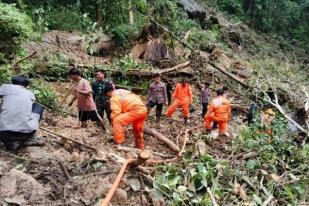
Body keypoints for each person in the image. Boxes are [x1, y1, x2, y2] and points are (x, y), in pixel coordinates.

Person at [0, 76, 44, 151]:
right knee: (38, 107)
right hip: (26, 133)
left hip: (3, 133)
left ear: (12, 82)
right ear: (26, 85)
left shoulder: (5, 88)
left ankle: (10, 142)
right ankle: (28, 137)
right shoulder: (30, 93)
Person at [105, 83, 147, 150]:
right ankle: (140, 148)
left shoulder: (113, 97)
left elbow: (116, 112)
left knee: (117, 121)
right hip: (143, 109)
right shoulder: (122, 91)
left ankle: (119, 142)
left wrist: (111, 118)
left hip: (135, 110)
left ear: (108, 92)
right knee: (137, 130)